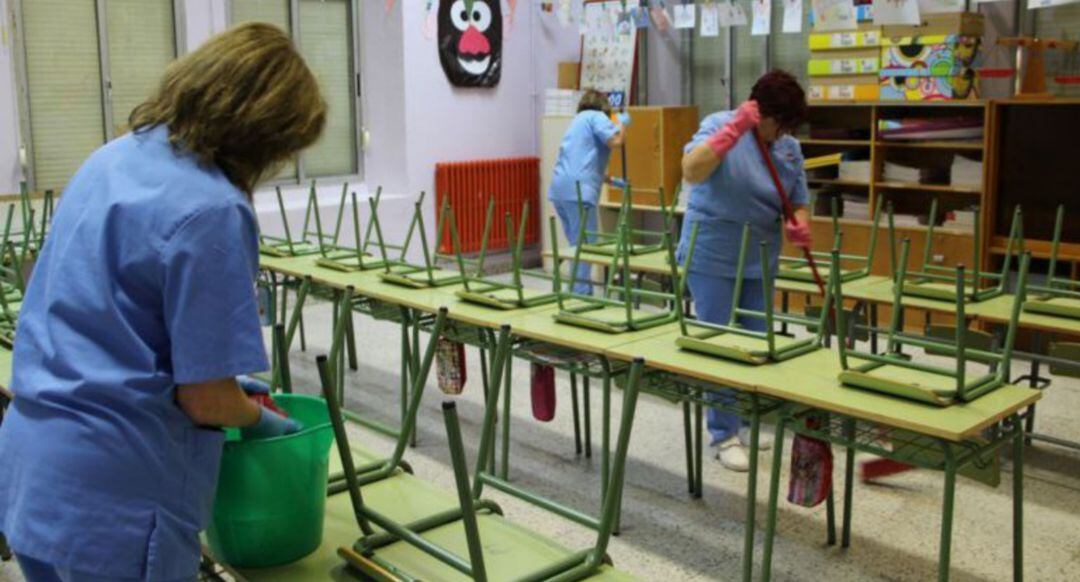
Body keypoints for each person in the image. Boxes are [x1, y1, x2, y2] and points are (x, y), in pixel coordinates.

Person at [0, 23, 326, 581]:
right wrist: (253, 417)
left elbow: (109, 318)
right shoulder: (212, 209)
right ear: (263, 134)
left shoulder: (111, 159)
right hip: (117, 498)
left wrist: (224, 382)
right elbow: (204, 400)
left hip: (33, 471)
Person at [677, 70, 812, 471]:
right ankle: (723, 434)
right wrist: (733, 132)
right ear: (759, 112)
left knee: (756, 342)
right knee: (719, 344)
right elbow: (691, 170)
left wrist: (800, 221)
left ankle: (747, 420)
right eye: (778, 124)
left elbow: (798, 199)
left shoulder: (788, 148)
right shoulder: (719, 126)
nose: (782, 133)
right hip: (714, 254)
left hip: (761, 256)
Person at [548, 89, 628, 294]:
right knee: (587, 247)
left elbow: (580, 163)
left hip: (559, 191)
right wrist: (623, 123)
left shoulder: (577, 121)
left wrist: (610, 180)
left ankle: (580, 291)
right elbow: (616, 142)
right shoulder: (597, 117)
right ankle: (580, 295)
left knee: (577, 245)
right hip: (579, 193)